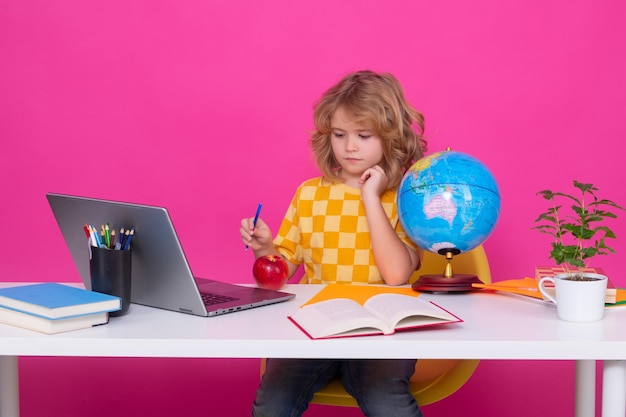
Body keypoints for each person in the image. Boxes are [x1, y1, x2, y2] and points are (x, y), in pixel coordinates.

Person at [239, 70, 428, 417]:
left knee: (388, 403)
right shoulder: (310, 194)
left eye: (364, 135)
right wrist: (264, 249)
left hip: (382, 332)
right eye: (340, 135)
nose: (350, 146)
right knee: (273, 402)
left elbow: (397, 275)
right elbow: (279, 276)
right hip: (317, 325)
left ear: (390, 137)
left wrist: (371, 196)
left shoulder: (404, 198)